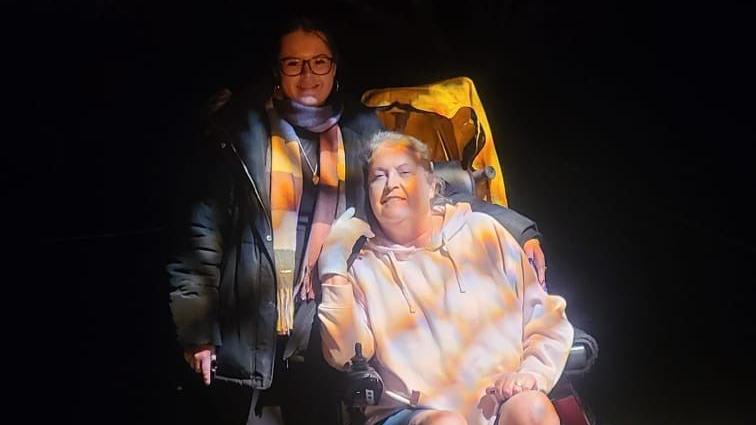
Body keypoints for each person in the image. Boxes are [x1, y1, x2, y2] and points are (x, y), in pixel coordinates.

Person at [168, 17, 549, 425]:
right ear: (278, 72)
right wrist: (197, 330)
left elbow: (424, 183)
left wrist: (519, 229)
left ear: (334, 68)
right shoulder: (243, 133)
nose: (308, 75)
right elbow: (202, 236)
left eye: (319, 62)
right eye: (294, 64)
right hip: (253, 329)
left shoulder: (360, 130)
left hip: (328, 326)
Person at [317, 131, 574, 425]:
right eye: (378, 176)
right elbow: (345, 355)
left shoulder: (483, 232)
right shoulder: (362, 267)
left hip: (501, 401)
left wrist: (531, 373)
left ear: (430, 185)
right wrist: (334, 271)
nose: (392, 184)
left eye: (404, 172)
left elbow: (546, 321)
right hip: (416, 416)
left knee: (532, 409)